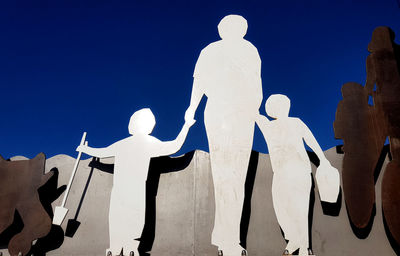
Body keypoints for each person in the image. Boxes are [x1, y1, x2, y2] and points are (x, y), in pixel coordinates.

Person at [185, 14, 263, 256]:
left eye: (238, 25)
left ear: (244, 29)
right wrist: (191, 107)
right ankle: (224, 239)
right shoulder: (210, 50)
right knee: (223, 174)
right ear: (221, 29)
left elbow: (256, 84)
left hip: (242, 113)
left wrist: (254, 111)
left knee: (237, 175)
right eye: (226, 26)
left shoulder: (250, 49)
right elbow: (199, 81)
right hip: (218, 111)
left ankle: (232, 239)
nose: (230, 29)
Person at [77, 108, 195, 256]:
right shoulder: (146, 142)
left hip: (124, 190)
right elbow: (174, 146)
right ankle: (126, 248)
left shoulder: (128, 143)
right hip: (132, 190)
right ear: (150, 126)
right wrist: (186, 127)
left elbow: (102, 152)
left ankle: (121, 248)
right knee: (133, 217)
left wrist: (86, 149)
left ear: (131, 125)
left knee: (120, 217)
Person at [256, 94, 334, 256]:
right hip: (279, 173)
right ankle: (294, 241)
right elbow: (254, 113)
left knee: (300, 208)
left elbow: (311, 140)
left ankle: (305, 247)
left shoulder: (296, 122)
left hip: (299, 170)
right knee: (281, 208)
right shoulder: (268, 126)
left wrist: (323, 159)